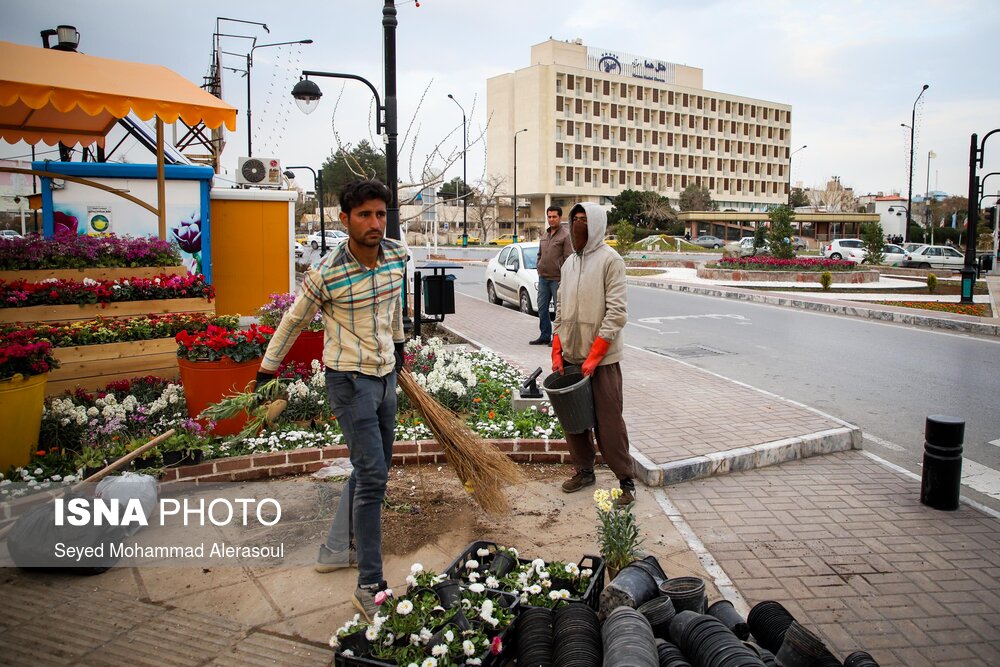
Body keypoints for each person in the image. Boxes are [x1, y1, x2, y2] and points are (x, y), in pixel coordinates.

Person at [255, 178, 406, 620]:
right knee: (374, 476)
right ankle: (369, 584)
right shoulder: (328, 271)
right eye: (365, 215)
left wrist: (398, 346)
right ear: (345, 220)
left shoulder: (397, 255)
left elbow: (393, 307)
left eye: (380, 214)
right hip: (348, 381)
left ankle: (339, 547)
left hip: (385, 377)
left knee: (372, 469)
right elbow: (294, 320)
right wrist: (268, 368)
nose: (375, 223)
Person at [551, 202, 635, 505]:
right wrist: (557, 349)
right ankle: (584, 470)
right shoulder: (569, 263)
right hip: (573, 356)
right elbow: (560, 310)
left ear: (597, 224)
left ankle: (626, 481)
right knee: (574, 421)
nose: (577, 225)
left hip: (603, 361)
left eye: (584, 220)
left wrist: (596, 354)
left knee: (609, 422)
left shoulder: (611, 261)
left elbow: (617, 313)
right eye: (575, 220)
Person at [531, 205, 573, 346]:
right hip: (543, 278)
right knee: (542, 308)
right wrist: (539, 266)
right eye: (549, 216)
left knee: (558, 311)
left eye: (554, 216)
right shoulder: (545, 234)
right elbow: (540, 254)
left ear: (560, 217)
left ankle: (558, 338)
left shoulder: (566, 235)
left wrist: (564, 278)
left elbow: (569, 258)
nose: (551, 219)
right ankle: (544, 335)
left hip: (557, 280)